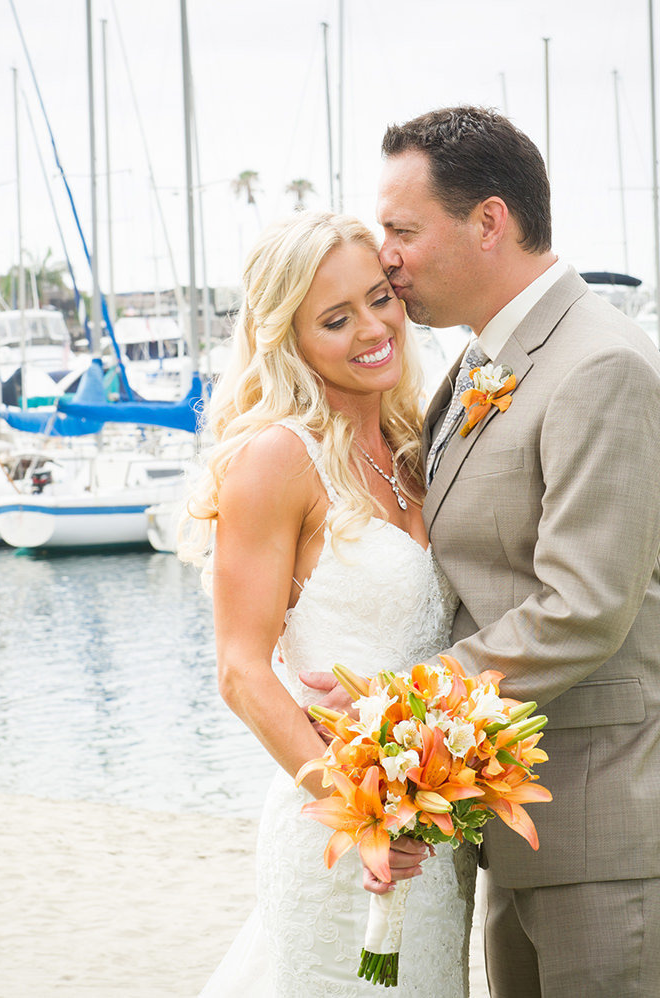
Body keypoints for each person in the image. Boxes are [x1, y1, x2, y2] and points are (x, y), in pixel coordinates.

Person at [303, 105, 660, 996]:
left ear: (489, 221)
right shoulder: (484, 361)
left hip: (605, 813)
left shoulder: (601, 367)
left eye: (402, 230)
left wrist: (391, 706)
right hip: (514, 817)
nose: (386, 255)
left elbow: (581, 608)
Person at [185, 211, 476, 996]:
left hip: (433, 834)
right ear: (289, 337)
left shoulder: (418, 447)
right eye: (335, 318)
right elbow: (241, 671)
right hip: (339, 826)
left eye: (379, 298)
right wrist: (364, 812)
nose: (373, 328)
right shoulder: (277, 458)